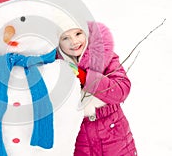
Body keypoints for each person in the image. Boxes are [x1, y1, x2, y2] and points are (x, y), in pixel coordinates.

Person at [57, 21, 137, 155]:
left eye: (78, 33)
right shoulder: (56, 66)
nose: (74, 41)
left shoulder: (105, 56)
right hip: (79, 138)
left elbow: (121, 90)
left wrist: (87, 78)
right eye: (65, 38)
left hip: (113, 134)